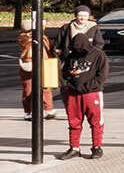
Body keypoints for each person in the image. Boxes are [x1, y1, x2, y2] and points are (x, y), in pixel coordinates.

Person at [56, 28, 107, 160]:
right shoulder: (72, 56)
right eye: (75, 49)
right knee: (74, 122)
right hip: (73, 93)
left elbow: (101, 77)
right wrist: (69, 78)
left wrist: (86, 87)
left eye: (79, 49)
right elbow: (64, 72)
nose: (77, 51)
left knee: (96, 121)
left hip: (92, 93)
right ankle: (74, 148)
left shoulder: (99, 55)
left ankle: (97, 147)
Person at [17, 29, 56, 121]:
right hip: (32, 64)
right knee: (30, 88)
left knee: (40, 87)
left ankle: (42, 109)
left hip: (40, 63)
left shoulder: (42, 37)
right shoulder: (27, 38)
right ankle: (32, 111)